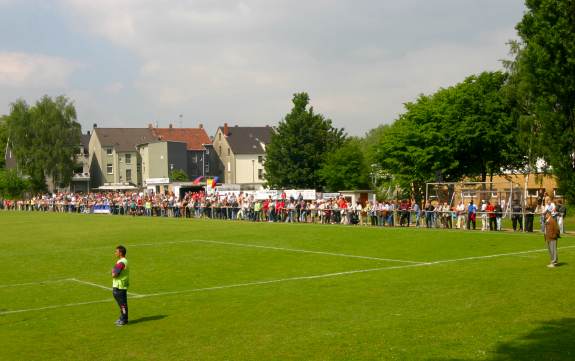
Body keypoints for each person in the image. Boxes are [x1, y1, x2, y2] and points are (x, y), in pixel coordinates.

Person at [112, 245, 130, 326]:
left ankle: (124, 320)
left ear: (121, 253)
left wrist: (113, 272)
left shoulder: (122, 262)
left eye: (116, 251)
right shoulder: (122, 261)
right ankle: (122, 317)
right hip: (119, 285)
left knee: (122, 304)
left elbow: (115, 274)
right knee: (121, 304)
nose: (115, 253)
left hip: (120, 286)